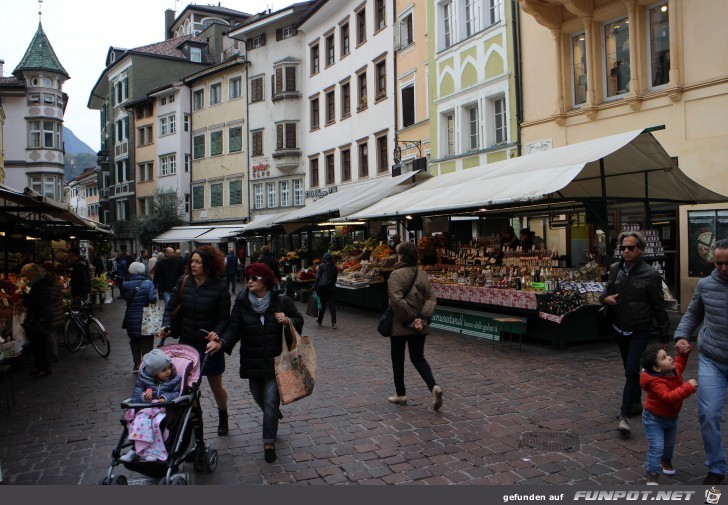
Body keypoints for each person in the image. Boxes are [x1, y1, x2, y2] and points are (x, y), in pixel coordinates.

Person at [206, 262, 303, 464]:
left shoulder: (281, 301)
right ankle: (273, 414)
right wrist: (221, 343)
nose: (248, 281)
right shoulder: (242, 303)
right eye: (248, 278)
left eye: (253, 278)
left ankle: (269, 443)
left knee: (269, 399)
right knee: (260, 398)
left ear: (265, 280)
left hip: (277, 362)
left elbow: (299, 320)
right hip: (252, 361)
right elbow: (234, 329)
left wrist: (288, 320)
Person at [599, 230, 670, 435]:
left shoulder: (651, 274)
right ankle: (637, 403)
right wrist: (606, 299)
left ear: (640, 249)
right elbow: (605, 292)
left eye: (631, 247)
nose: (626, 251)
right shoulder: (615, 269)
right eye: (623, 248)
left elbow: (658, 306)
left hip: (641, 327)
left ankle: (624, 415)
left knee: (631, 370)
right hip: (620, 327)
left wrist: (665, 335)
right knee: (628, 368)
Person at [158, 245, 231, 436]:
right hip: (187, 344)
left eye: (198, 262)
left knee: (216, 386)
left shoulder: (220, 286)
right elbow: (170, 308)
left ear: (208, 265)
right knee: (189, 387)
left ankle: (223, 413)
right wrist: (166, 326)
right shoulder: (183, 282)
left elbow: (225, 318)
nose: (193, 265)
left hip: (209, 345)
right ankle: (195, 424)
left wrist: (216, 334)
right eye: (192, 261)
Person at [673, 239, 728, 485]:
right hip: (712, 358)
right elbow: (694, 313)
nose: (724, 268)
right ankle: (715, 466)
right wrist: (682, 335)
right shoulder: (706, 284)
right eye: (719, 263)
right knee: (708, 412)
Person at [386, 241, 442, 412]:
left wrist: (411, 319)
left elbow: (396, 300)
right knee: (418, 358)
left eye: (398, 253)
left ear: (402, 256)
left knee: (398, 359)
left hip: (400, 324)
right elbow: (431, 299)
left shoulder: (396, 275)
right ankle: (433, 387)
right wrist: (422, 319)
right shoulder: (423, 275)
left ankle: (401, 394)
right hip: (418, 325)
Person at [639, 345, 697, 485]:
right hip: (654, 419)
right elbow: (668, 397)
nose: (670, 358)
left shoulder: (672, 370)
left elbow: (679, 363)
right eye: (664, 358)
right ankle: (652, 474)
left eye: (667, 355)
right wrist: (686, 388)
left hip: (671, 417)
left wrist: (682, 353)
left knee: (669, 444)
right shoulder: (655, 382)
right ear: (657, 369)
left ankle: (665, 461)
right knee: (657, 446)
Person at [120, 348, 182, 463]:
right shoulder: (143, 380)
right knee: (138, 422)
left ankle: (155, 450)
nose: (168, 371)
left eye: (169, 367)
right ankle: (134, 449)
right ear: (154, 373)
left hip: (164, 408)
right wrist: (144, 397)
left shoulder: (175, 379)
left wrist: (166, 397)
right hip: (147, 409)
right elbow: (135, 397)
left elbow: (177, 393)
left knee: (157, 424)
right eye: (164, 370)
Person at [121, 262, 157, 373]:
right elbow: (152, 299)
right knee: (146, 340)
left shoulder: (125, 284)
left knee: (134, 340)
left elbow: (125, 298)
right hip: (146, 315)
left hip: (131, 316)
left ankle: (137, 363)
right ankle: (146, 364)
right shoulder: (148, 283)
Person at [20, 263, 54, 377]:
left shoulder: (40, 285)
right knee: (38, 344)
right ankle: (41, 368)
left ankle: (43, 368)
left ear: (31, 274)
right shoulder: (40, 283)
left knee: (39, 344)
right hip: (42, 316)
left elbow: (39, 302)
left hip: (40, 317)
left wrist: (24, 302)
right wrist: (25, 296)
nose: (26, 277)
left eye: (26, 275)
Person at [43, 262, 65, 362]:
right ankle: (55, 352)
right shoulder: (55, 281)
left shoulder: (53, 283)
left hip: (54, 310)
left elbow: (49, 298)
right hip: (57, 310)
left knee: (50, 332)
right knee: (53, 332)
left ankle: (54, 353)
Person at [314, 252, 338, 328]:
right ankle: (334, 323)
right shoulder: (334, 267)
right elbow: (335, 278)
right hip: (332, 288)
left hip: (323, 289)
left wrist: (315, 285)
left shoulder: (322, 266)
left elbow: (318, 277)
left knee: (323, 305)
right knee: (332, 306)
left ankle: (320, 320)